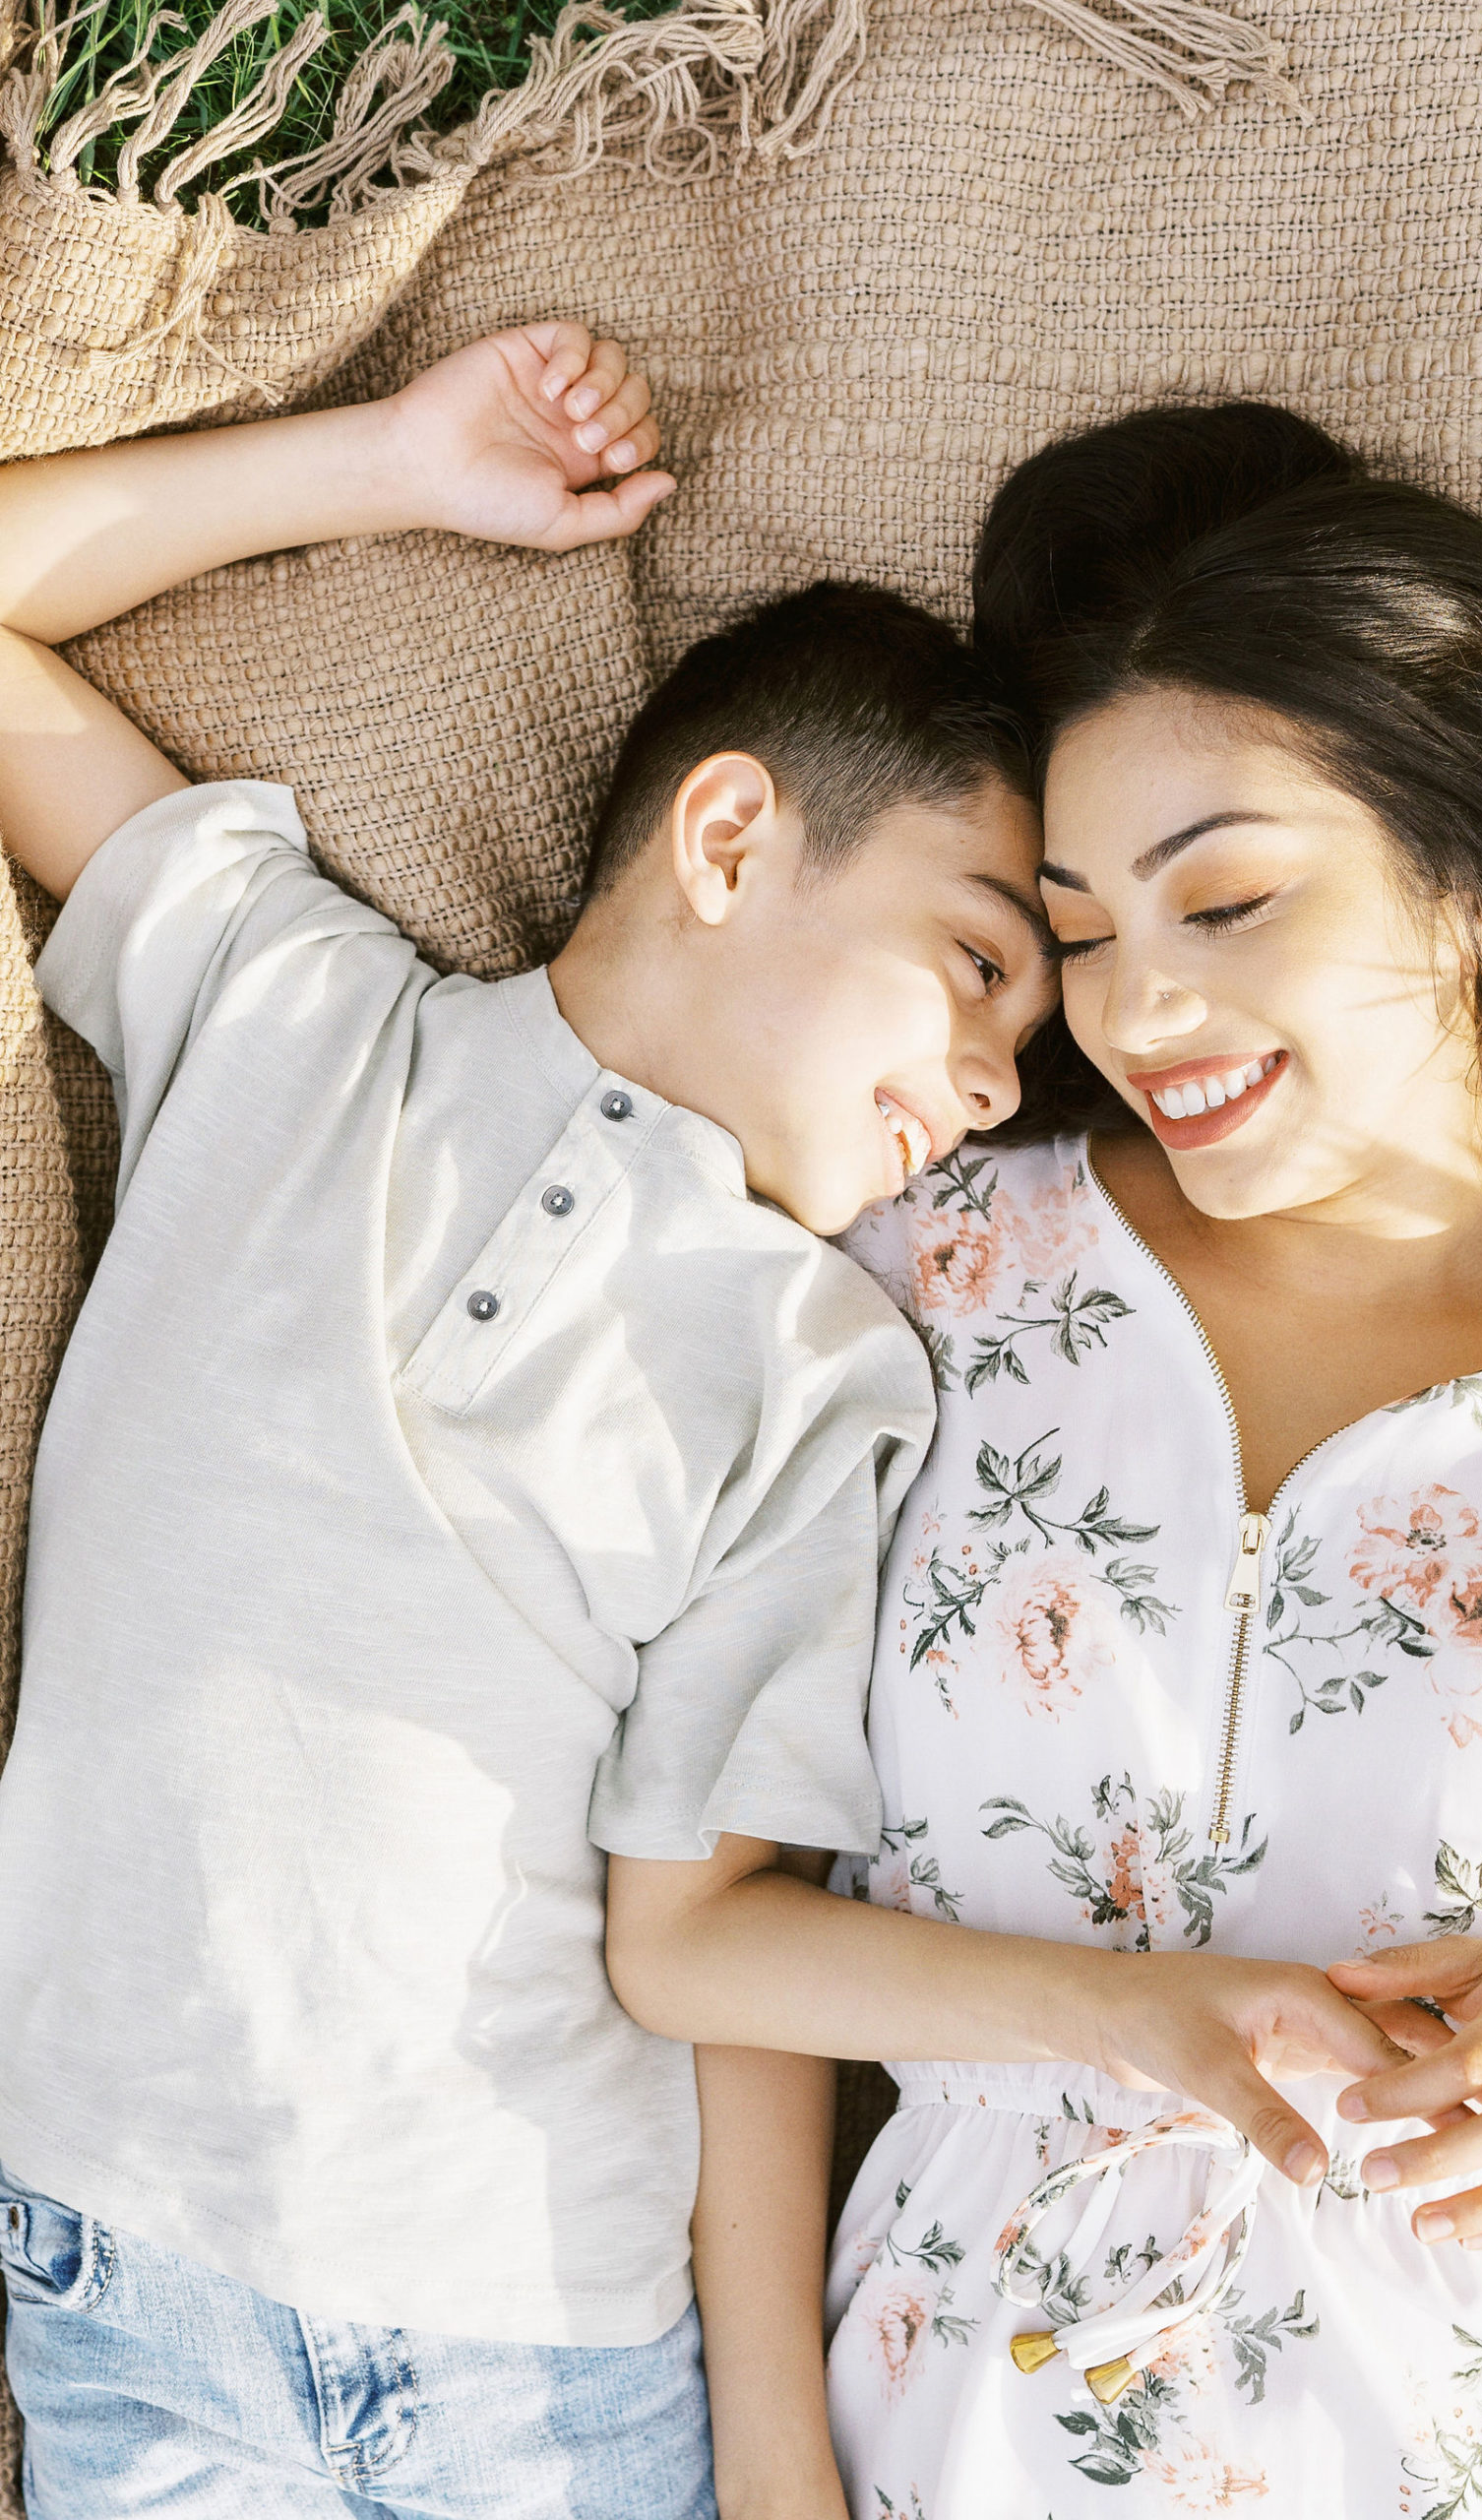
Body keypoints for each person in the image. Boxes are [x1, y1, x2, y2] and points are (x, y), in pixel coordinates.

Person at [0, 334, 1409, 2520]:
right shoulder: (275, 1004)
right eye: (973, 968)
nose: (984, 1090)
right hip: (130, 2281)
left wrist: (775, 2451)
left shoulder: (827, 1373)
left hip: (532, 2347)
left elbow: (720, 1917)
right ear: (732, 835)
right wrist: (387, 459)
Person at [798, 405, 1482, 2514]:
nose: (1143, 1009)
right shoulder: (917, 1271)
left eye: (1227, 899)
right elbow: (701, 1916)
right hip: (989, 2418)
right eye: (1085, 930)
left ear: (1477, 879)